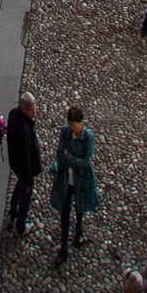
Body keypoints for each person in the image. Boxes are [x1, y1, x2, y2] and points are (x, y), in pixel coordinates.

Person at [51, 104, 99, 264]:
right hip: (66, 179)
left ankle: (79, 230)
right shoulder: (65, 132)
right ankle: (63, 248)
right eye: (71, 125)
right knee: (65, 213)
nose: (73, 129)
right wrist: (64, 160)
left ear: (81, 122)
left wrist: (69, 158)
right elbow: (60, 152)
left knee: (79, 208)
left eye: (75, 125)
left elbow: (86, 162)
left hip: (80, 180)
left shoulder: (88, 137)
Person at [6, 91, 43, 236]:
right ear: (24, 110)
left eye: (35, 108)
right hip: (24, 167)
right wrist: (29, 180)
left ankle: (12, 213)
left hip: (15, 162)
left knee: (19, 185)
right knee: (25, 196)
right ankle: (20, 226)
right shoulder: (24, 129)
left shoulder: (13, 114)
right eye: (31, 110)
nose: (34, 112)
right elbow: (26, 156)